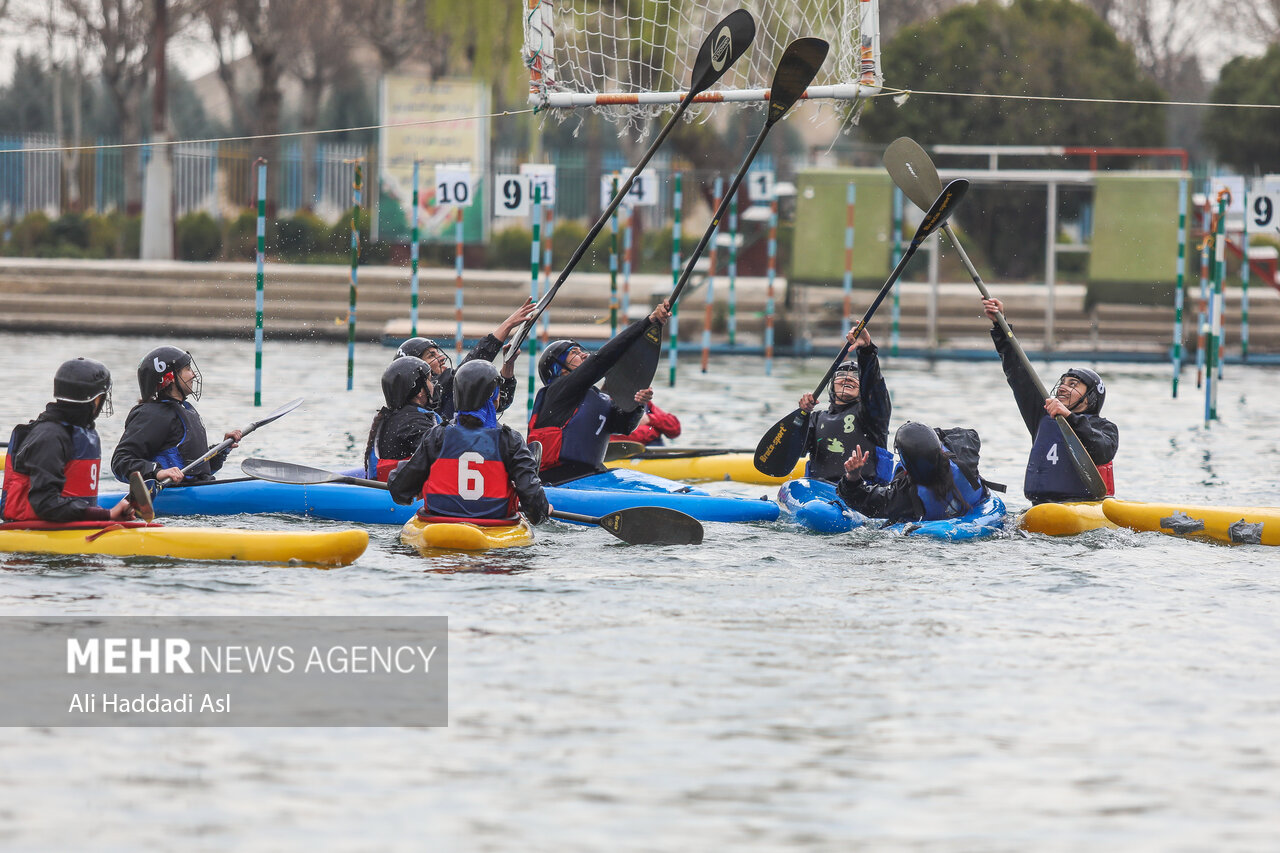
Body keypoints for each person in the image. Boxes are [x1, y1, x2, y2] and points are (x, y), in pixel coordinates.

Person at [981, 297, 1118, 504]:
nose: (1063, 387)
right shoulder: (1042, 417)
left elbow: (1101, 451)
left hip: (1083, 506)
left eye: (1073, 384)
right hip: (1041, 507)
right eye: (1063, 382)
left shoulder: (1106, 429)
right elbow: (1018, 373)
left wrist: (1070, 418)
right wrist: (1000, 324)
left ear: (1090, 398)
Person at [528, 300, 672, 484]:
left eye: (581, 350)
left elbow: (623, 426)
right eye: (574, 353)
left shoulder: (598, 398)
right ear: (559, 369)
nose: (583, 354)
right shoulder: (557, 391)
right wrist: (648, 322)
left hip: (591, 477)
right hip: (556, 481)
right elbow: (601, 360)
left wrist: (637, 404)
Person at [388, 360, 549, 523]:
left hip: (438, 526)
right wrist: (542, 511)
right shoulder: (509, 440)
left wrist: (409, 478)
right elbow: (533, 501)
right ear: (493, 396)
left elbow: (400, 490)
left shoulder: (438, 435)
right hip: (494, 529)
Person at [2, 358, 135, 523]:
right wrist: (105, 515)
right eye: (102, 396)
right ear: (94, 400)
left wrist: (106, 515)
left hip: (69, 525)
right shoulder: (50, 437)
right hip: (33, 531)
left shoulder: (78, 432)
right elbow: (45, 504)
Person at [111, 346, 242, 486]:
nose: (193, 375)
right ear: (170, 378)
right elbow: (120, 462)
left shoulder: (186, 409)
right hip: (175, 495)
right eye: (187, 369)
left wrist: (222, 449)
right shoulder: (153, 414)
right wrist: (158, 473)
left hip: (196, 490)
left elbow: (198, 471)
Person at [395, 299, 536, 421]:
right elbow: (468, 367)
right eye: (431, 356)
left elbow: (500, 402)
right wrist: (507, 325)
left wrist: (508, 365)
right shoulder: (438, 388)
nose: (442, 358)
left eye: (438, 353)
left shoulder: (445, 392)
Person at [836, 421, 990, 523]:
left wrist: (853, 476)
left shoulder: (905, 496)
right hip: (977, 511)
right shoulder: (964, 455)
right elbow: (971, 434)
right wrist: (932, 436)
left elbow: (861, 499)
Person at [797, 327, 893, 483]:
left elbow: (874, 387)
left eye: (856, 377)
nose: (848, 378)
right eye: (841, 374)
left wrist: (866, 351)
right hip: (821, 492)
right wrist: (801, 416)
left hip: (863, 490)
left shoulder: (871, 414)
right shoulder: (815, 419)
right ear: (832, 385)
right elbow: (793, 452)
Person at [365, 357, 441, 481]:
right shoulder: (414, 421)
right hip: (398, 494)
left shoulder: (393, 417)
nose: (433, 385)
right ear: (420, 391)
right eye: (430, 380)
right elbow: (438, 455)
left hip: (384, 486)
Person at [610, 398, 681, 447]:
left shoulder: (646, 403)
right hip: (624, 455)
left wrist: (649, 419)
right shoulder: (608, 402)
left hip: (654, 453)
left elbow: (675, 429)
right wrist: (655, 431)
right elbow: (619, 433)